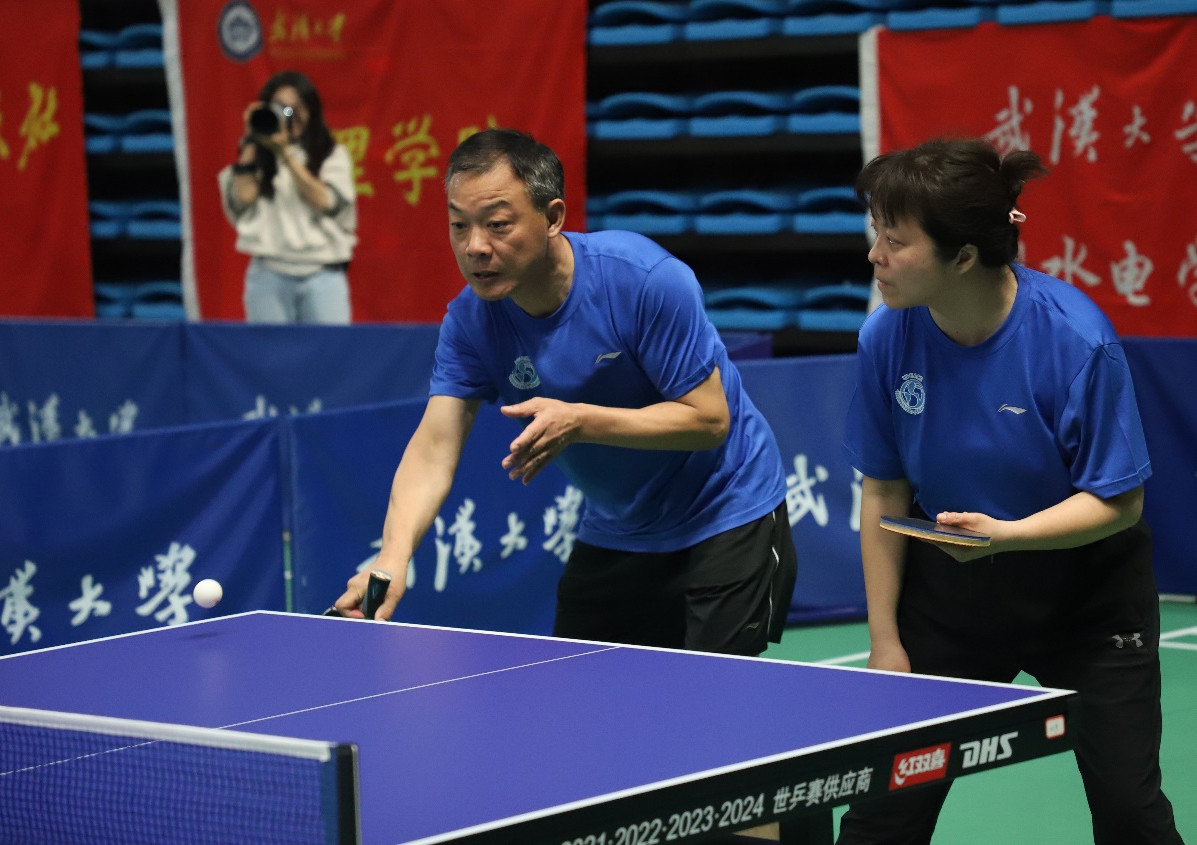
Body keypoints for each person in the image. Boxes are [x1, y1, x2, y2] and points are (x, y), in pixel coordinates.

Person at [333, 128, 797, 658]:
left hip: (726, 509)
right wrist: (392, 558)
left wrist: (580, 421)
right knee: (578, 689)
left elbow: (710, 420)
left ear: (553, 217)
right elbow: (435, 447)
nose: (475, 246)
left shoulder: (644, 281)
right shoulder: (470, 322)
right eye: (459, 225)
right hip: (621, 525)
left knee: (713, 696)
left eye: (497, 224)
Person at [839, 137, 1183, 844]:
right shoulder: (886, 338)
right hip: (951, 599)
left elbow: (1120, 501)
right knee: (883, 813)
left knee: (1129, 809)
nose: (875, 256)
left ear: (963, 256)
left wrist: (1010, 536)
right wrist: (885, 640)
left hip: (1086, 596)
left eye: (895, 241)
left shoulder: (1075, 340)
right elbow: (884, 490)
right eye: (877, 234)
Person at [218, 70, 357, 324]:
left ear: (312, 111)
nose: (290, 115)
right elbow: (242, 199)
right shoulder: (258, 155)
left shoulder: (331, 154)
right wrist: (253, 137)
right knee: (269, 349)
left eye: (297, 108)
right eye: (281, 108)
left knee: (331, 348)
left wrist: (285, 154)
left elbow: (326, 201)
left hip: (323, 274)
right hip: (269, 273)